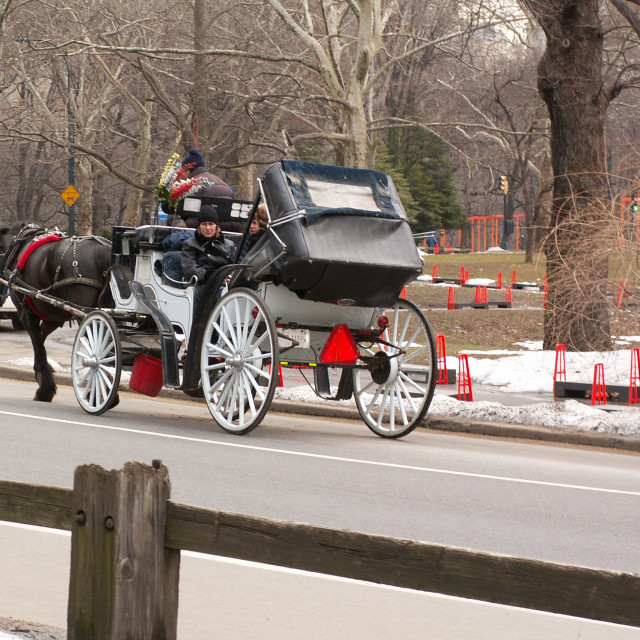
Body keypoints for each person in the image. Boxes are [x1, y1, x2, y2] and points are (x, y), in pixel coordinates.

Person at [178, 148, 239, 230]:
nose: (183, 174)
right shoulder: (224, 184)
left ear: (188, 170)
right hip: (231, 228)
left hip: (204, 230)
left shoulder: (191, 185)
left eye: (183, 171)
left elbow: (186, 214)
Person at [181, 205, 235, 289]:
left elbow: (235, 266)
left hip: (225, 284)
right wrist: (214, 276)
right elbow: (189, 270)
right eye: (204, 224)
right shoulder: (189, 244)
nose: (208, 228)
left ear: (216, 226)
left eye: (211, 224)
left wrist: (228, 277)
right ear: (199, 226)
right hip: (201, 284)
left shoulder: (229, 244)